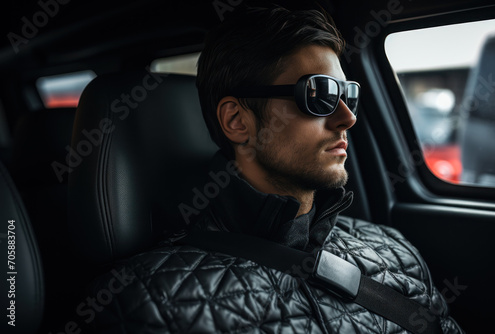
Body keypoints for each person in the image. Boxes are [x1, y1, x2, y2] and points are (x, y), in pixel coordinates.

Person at [87, 5, 463, 333]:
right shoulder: (150, 301)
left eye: (347, 95)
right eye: (319, 95)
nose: (347, 118)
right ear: (237, 121)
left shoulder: (392, 249)